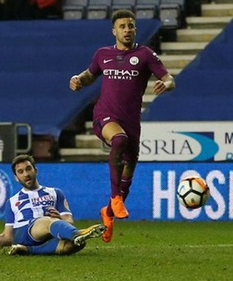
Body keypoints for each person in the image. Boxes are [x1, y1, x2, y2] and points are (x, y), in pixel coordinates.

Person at [69, 10, 175, 243]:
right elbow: (89, 75)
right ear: (114, 31)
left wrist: (165, 84)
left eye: (131, 26)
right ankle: (115, 197)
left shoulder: (145, 55)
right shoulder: (102, 54)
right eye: (123, 26)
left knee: (129, 170)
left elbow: (169, 78)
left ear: (135, 29)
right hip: (105, 116)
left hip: (131, 122)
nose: (127, 30)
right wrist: (77, 79)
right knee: (119, 140)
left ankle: (108, 212)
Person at [0, 154, 106, 255]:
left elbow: (69, 221)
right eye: (20, 172)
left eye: (28, 169)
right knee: (47, 221)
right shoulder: (12, 202)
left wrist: (61, 220)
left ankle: (29, 250)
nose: (26, 174)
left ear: (35, 170)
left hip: (47, 234)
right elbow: (7, 237)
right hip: (24, 232)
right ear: (16, 177)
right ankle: (78, 234)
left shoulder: (56, 193)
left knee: (76, 244)